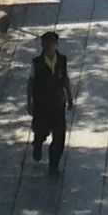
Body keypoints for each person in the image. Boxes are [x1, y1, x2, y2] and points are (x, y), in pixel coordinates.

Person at [28, 30, 73, 173]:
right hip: (41, 105)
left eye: (51, 44)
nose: (48, 47)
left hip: (58, 104)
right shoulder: (37, 63)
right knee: (41, 130)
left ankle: (54, 164)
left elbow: (65, 78)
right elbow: (31, 81)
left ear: (56, 44)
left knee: (59, 135)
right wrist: (29, 100)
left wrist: (70, 95)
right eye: (45, 44)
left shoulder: (62, 60)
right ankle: (38, 143)